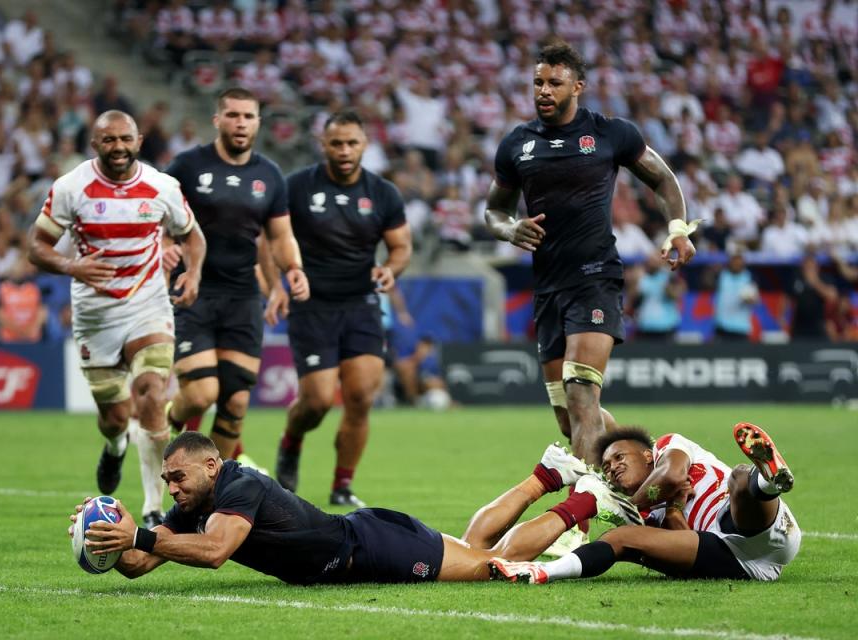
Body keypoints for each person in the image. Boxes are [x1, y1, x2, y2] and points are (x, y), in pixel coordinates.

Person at [483, 43, 697, 465]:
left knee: (582, 395)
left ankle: (580, 521)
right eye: (538, 83)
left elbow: (663, 179)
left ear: (578, 86)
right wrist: (510, 229)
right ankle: (651, 470)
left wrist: (677, 229)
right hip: (548, 287)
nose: (543, 91)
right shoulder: (517, 144)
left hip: (596, 278)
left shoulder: (609, 133)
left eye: (554, 83)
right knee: (571, 418)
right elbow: (494, 209)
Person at [69, 431, 639, 584]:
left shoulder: (238, 486)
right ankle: (548, 474)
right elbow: (142, 562)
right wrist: (112, 538)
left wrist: (139, 536)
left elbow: (216, 553)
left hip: (368, 550)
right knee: (476, 548)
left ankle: (586, 499)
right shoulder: (191, 507)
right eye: (166, 480)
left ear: (211, 466)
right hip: (364, 542)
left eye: (177, 476)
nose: (171, 488)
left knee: (493, 565)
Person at [29, 110, 206, 528]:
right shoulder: (71, 187)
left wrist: (194, 272)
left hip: (148, 305)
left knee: (151, 394)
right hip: (96, 315)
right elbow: (37, 246)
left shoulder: (162, 187)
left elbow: (192, 235)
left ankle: (152, 507)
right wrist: (73, 267)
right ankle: (114, 447)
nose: (119, 147)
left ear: (139, 140)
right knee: (114, 417)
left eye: (125, 139)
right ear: (95, 144)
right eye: (109, 140)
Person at [265, 110, 412, 507]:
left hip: (361, 303)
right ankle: (291, 440)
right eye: (337, 143)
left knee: (362, 395)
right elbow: (270, 238)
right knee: (315, 401)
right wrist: (277, 283)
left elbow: (400, 247)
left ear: (365, 145)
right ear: (323, 145)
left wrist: (390, 269)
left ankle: (342, 485)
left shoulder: (382, 193)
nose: (345, 151)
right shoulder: (296, 187)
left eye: (352, 143)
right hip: (311, 304)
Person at [163, 87, 310, 470]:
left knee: (236, 401)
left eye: (248, 116)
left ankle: (212, 492)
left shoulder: (269, 175)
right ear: (217, 120)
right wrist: (164, 246)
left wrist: (291, 272)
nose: (240, 123)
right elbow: (157, 217)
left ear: (258, 122)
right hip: (194, 290)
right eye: (233, 115)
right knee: (200, 394)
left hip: (242, 295)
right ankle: (166, 418)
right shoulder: (187, 167)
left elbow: (279, 236)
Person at [489, 422, 800, 583]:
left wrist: (634, 505)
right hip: (732, 557)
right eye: (608, 467)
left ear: (647, 453)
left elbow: (671, 478)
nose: (612, 468)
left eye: (619, 457)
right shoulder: (645, 515)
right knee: (618, 538)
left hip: (761, 524)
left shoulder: (670, 446)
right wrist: (674, 509)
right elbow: (685, 539)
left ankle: (768, 481)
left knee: (740, 479)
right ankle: (544, 572)